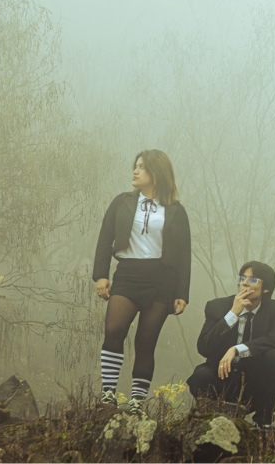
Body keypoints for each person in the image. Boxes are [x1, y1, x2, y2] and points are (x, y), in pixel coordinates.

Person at [93, 149, 191, 413]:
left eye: (142, 167)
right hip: (127, 275)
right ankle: (108, 394)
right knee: (114, 330)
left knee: (146, 342)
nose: (135, 171)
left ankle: (137, 400)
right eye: (135, 166)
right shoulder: (122, 202)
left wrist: (182, 293)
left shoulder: (176, 210)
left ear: (156, 172)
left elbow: (184, 254)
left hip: (162, 281)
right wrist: (101, 275)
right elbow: (105, 238)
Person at [187, 261, 275, 429]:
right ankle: (209, 420)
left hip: (254, 381)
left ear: (266, 288)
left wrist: (236, 349)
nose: (244, 283)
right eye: (242, 278)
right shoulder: (217, 306)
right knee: (201, 375)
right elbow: (203, 347)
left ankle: (264, 424)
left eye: (252, 279)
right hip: (222, 376)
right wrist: (232, 314)